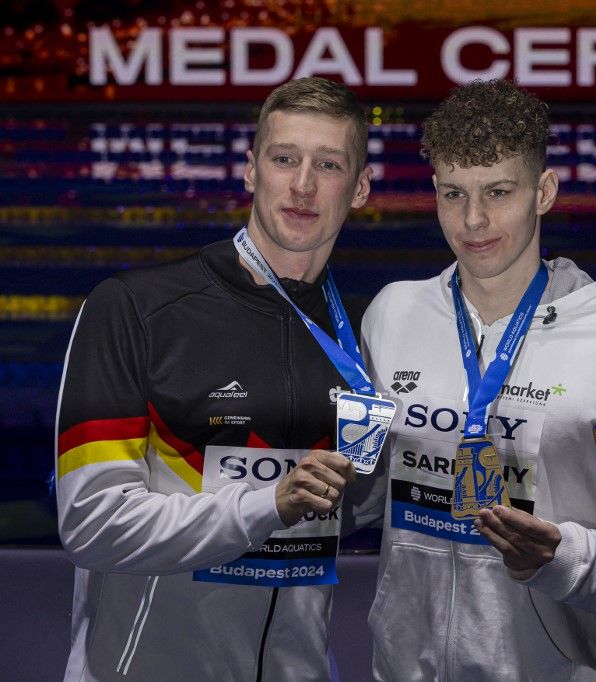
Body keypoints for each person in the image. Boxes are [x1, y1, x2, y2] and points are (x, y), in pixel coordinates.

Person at [55, 77, 381, 680]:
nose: (303, 185)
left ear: (359, 187)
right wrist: (266, 506)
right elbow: (92, 521)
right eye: (285, 159)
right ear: (252, 169)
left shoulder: (363, 337)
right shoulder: (135, 309)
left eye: (328, 164)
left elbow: (346, 508)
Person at [360, 79, 596, 680]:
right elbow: (369, 493)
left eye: (498, 192)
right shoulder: (392, 318)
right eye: (453, 193)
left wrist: (557, 557)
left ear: (544, 191)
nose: (473, 220)